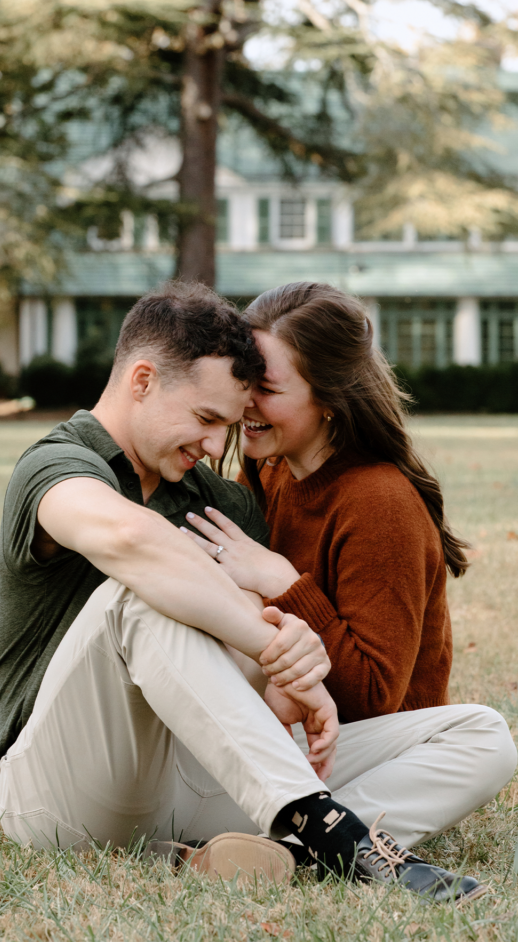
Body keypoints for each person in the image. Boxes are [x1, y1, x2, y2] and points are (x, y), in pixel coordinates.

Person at [0, 282, 506, 902]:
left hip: (189, 777)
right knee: (140, 597)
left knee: (486, 733)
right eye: (211, 416)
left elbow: (257, 668)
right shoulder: (60, 463)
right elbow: (136, 549)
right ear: (143, 381)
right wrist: (275, 640)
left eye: (244, 408)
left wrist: (278, 633)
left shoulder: (230, 501)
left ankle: (275, 849)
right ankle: (336, 833)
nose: (224, 441)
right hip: (57, 783)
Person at [177, 281, 517, 857]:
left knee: (487, 740)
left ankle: (296, 851)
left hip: (358, 742)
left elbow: (374, 695)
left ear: (329, 398)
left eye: (267, 388)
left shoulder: (379, 501)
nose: (246, 405)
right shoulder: (269, 473)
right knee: (7, 720)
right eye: (243, 384)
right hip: (265, 726)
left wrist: (284, 583)